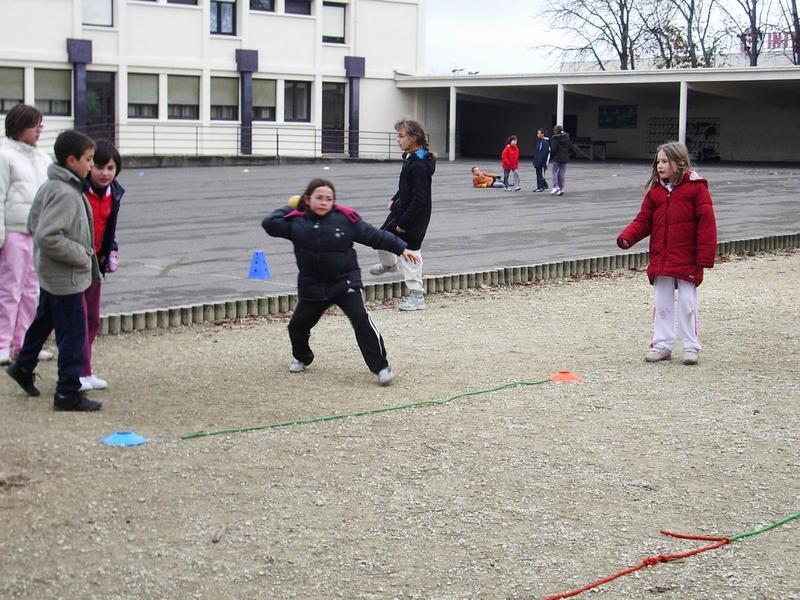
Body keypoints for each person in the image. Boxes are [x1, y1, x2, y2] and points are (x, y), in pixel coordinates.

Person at [263, 178, 421, 385]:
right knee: (297, 327)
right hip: (312, 285)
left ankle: (381, 368)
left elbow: (375, 236)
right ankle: (302, 357)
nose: (323, 202)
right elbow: (269, 224)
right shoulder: (297, 222)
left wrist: (402, 248)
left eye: (329, 199)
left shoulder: (345, 220)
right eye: (319, 198)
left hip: (345, 283)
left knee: (361, 320)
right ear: (308, 199)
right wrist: (290, 205)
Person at [5, 130, 102, 411]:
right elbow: (47, 235)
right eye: (88, 160)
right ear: (71, 161)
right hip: (66, 277)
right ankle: (67, 392)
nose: (91, 166)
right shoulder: (65, 193)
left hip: (53, 276)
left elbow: (33, 222)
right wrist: (81, 256)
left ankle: (23, 366)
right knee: (73, 333)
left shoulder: (54, 185)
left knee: (43, 320)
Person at [616, 141, 717, 366]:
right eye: (658, 161)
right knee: (661, 303)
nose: (659, 165)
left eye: (664, 161)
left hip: (687, 258)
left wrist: (704, 257)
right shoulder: (655, 192)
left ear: (678, 163)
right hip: (661, 257)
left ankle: (691, 347)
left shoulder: (696, 188)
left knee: (687, 304)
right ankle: (662, 345)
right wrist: (627, 237)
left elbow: (707, 224)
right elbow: (644, 221)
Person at [0, 104, 55, 366]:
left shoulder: (43, 159)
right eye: (35, 126)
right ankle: (2, 343)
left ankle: (24, 344)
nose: (39, 131)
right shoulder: (4, 155)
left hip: (37, 232)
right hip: (13, 230)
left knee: (32, 291)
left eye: (40, 126)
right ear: (19, 127)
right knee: (9, 289)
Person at [368, 118, 436, 311]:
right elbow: (407, 187)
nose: (397, 140)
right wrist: (396, 197)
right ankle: (389, 265)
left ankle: (417, 296)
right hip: (401, 209)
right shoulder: (410, 158)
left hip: (414, 216)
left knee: (411, 253)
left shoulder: (419, 165)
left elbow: (420, 199)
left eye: (401, 136)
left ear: (413, 138)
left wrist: (404, 222)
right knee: (380, 239)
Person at [79, 140, 124, 392]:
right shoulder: (79, 191)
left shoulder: (114, 193)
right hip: (75, 262)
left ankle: (84, 370)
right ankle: (75, 371)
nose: (104, 173)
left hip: (95, 262)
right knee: (67, 319)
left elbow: (109, 231)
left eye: (110, 167)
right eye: (98, 167)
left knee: (91, 318)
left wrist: (112, 251)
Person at [548, 125, 575, 196]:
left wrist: (551, 156)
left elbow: (553, 149)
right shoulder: (567, 137)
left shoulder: (554, 138)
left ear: (555, 131)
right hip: (565, 158)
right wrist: (571, 154)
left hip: (557, 157)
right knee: (561, 174)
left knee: (554, 172)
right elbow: (571, 147)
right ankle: (561, 189)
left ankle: (555, 186)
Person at [532, 128, 551, 192]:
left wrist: (540, 162)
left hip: (542, 162)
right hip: (538, 161)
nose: (537, 134)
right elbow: (537, 152)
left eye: (539, 133)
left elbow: (543, 154)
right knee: (539, 174)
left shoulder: (544, 142)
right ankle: (543, 185)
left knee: (540, 174)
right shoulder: (540, 141)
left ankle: (540, 187)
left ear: (543, 134)